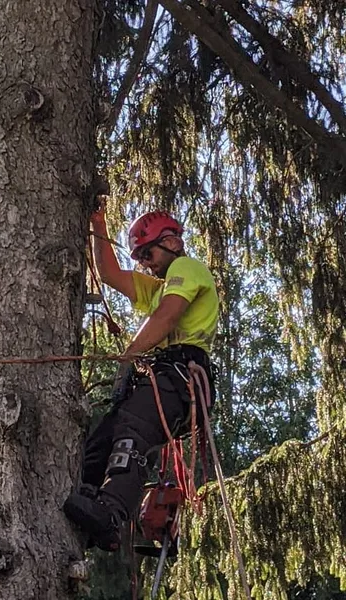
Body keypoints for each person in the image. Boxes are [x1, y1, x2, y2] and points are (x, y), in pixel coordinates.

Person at [64, 205, 219, 551]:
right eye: (141, 257)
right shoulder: (158, 287)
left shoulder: (187, 268)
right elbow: (110, 274)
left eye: (148, 253)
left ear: (172, 241)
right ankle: (90, 506)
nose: (146, 262)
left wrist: (132, 351)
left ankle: (110, 512)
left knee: (131, 431)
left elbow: (167, 316)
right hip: (162, 377)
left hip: (180, 376)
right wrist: (98, 222)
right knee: (101, 441)